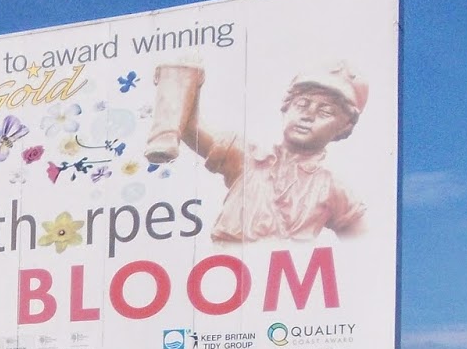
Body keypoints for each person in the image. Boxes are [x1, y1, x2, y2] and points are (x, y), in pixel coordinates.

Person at [144, 59, 368, 243]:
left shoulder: (332, 188)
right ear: (286, 107)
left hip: (286, 286)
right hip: (226, 278)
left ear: (344, 126)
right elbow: (191, 130)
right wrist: (182, 80)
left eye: (325, 111)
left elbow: (363, 249)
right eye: (302, 104)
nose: (308, 115)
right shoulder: (247, 157)